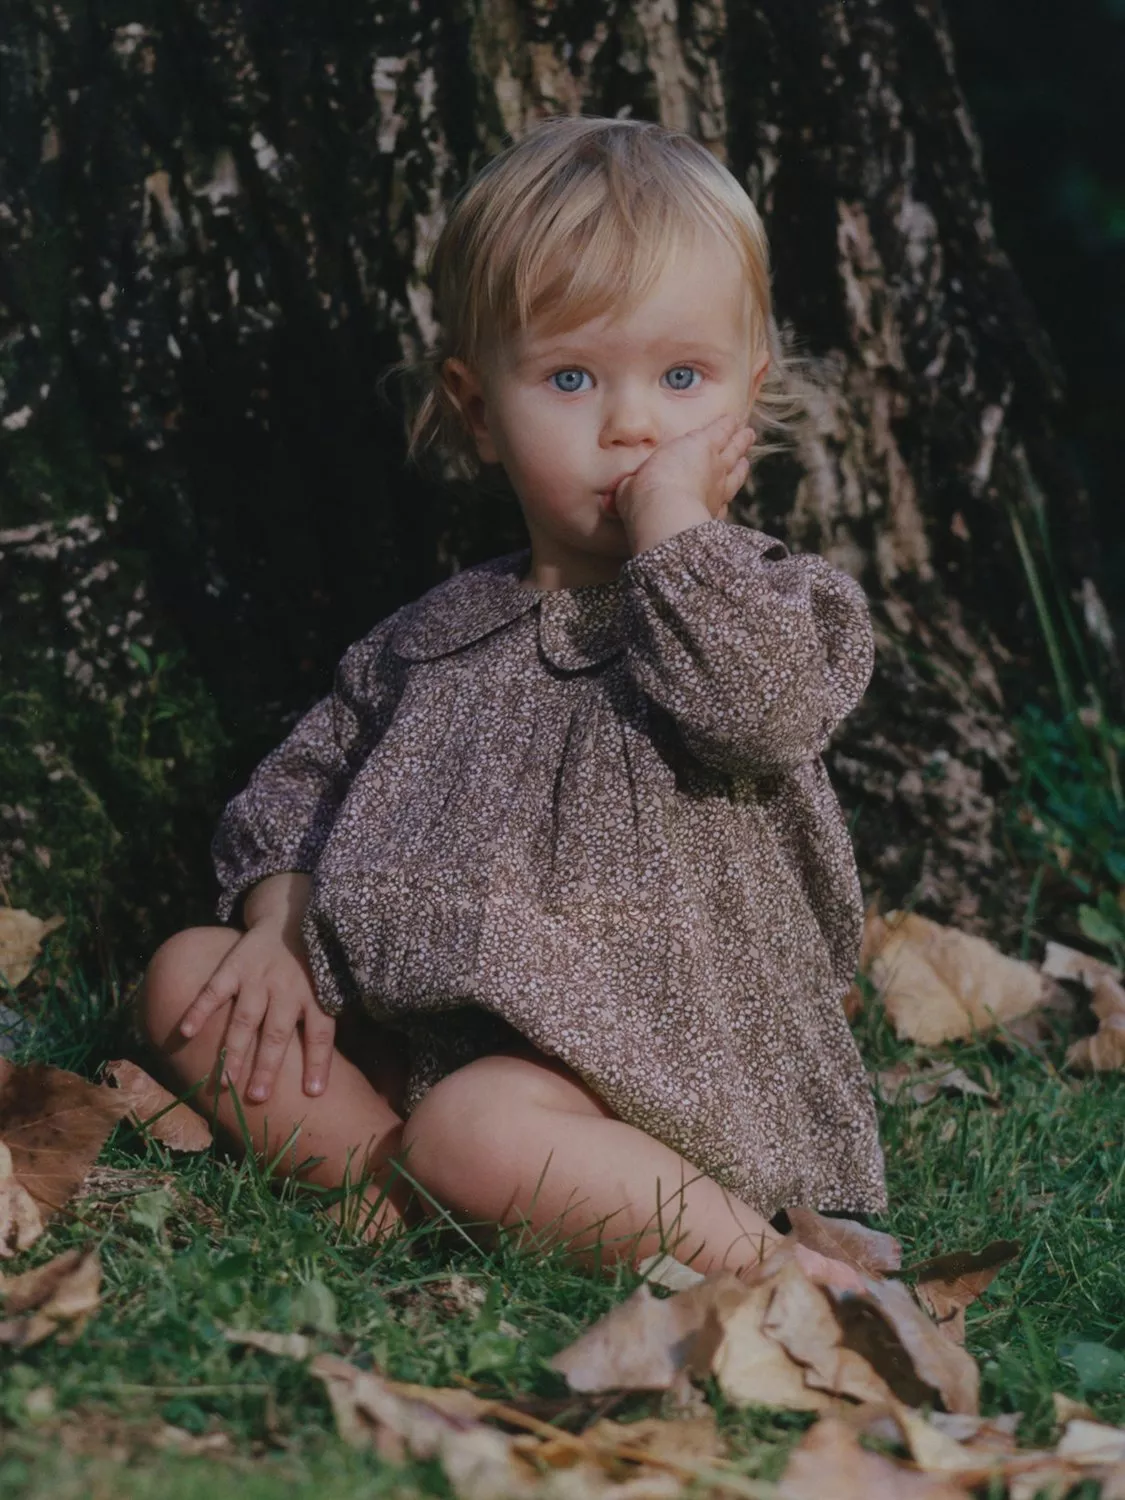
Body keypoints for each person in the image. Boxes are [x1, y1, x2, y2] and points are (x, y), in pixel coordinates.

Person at [139, 115, 886, 1292]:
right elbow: (299, 788)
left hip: (670, 1068)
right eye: (572, 378)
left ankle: (802, 1282)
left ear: (749, 401)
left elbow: (760, 713)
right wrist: (278, 921)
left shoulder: (766, 602)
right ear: (480, 409)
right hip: (439, 1040)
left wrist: (677, 534)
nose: (632, 424)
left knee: (480, 1127)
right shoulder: (427, 640)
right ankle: (403, 1214)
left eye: (682, 379)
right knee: (191, 977)